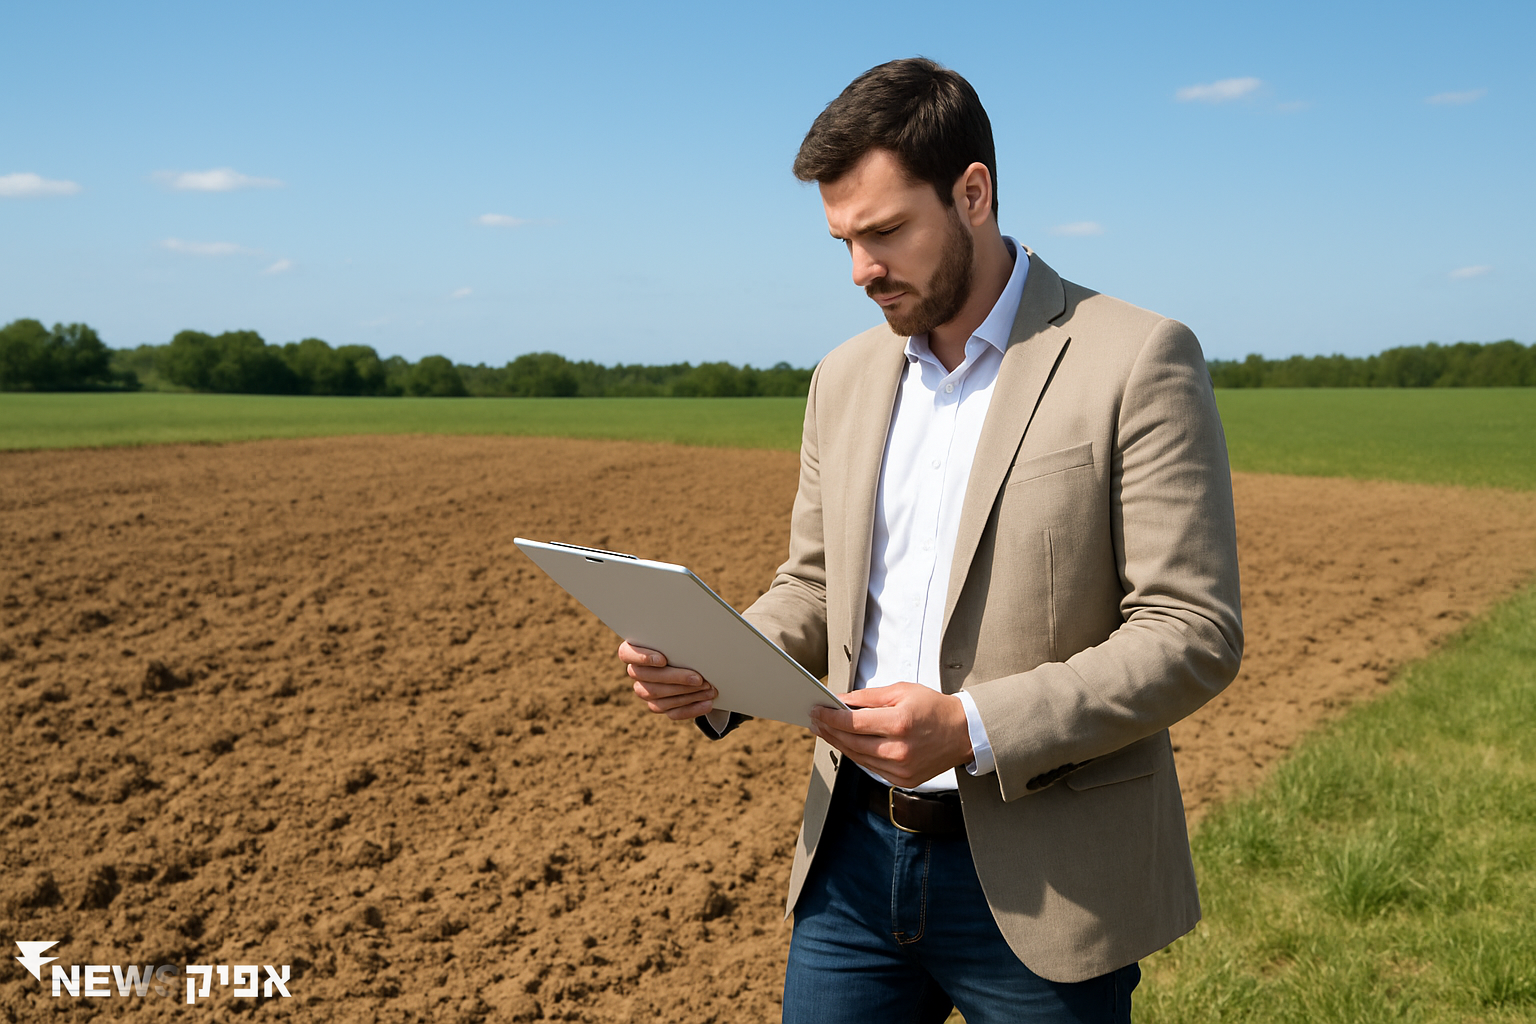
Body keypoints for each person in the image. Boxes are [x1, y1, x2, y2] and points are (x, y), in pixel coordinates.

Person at [618, 57, 1242, 1024]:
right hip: (853, 867)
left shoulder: (1135, 358)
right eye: (844, 240)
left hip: (1049, 883)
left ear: (973, 193)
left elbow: (1189, 631)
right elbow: (816, 586)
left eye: (885, 232)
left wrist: (971, 728)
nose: (862, 269)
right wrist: (720, 663)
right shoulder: (844, 378)